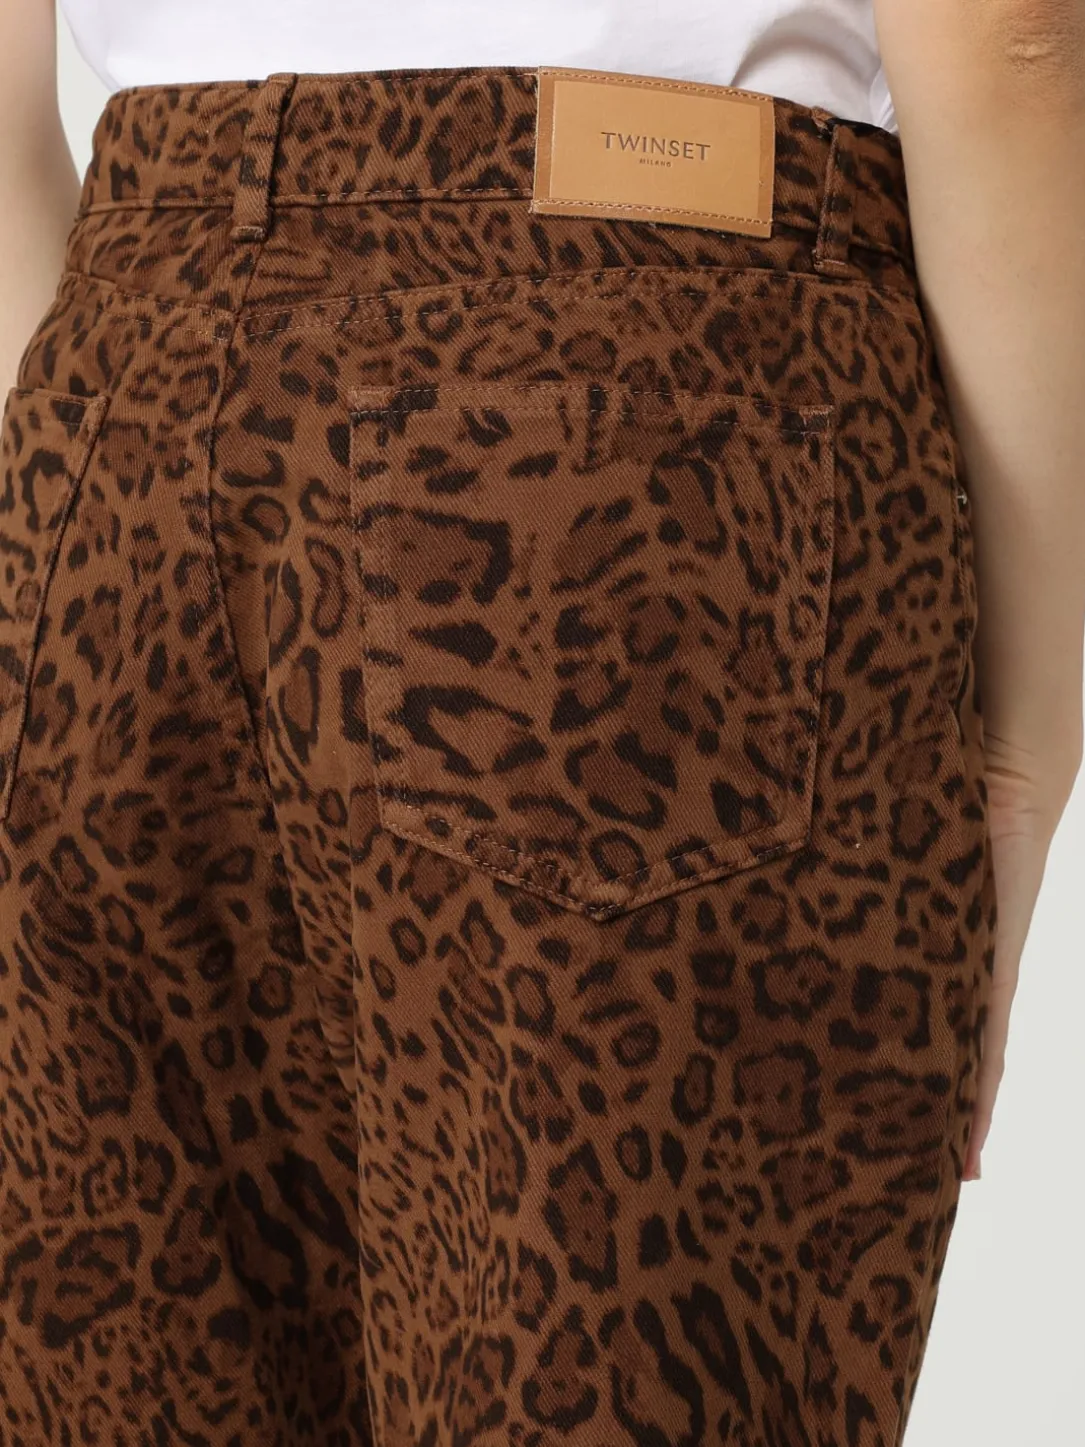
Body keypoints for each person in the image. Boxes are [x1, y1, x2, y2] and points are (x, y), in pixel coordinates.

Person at [0, 1, 1080, 1443]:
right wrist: (1026, 745)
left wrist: (73, 481)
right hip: (621, 429)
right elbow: (1008, 43)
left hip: (111, 413)